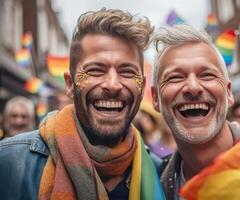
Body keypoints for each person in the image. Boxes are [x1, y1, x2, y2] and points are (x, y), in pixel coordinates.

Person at [0, 8, 165, 200]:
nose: (112, 85)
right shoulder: (8, 164)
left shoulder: (161, 175)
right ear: (70, 85)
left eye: (127, 72)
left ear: (142, 86)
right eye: (96, 70)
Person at [150, 24, 240, 199]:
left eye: (207, 75)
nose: (193, 87)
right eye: (175, 77)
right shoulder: (153, 190)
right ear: (156, 98)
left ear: (228, 92)